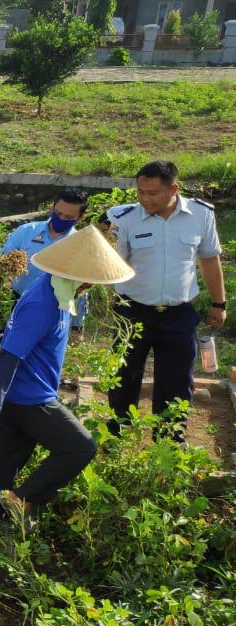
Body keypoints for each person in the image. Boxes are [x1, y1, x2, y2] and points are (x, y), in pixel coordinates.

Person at [0, 225, 135, 536]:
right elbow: (8, 356)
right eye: (91, 280)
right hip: (31, 398)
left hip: (24, 394)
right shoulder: (43, 303)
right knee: (80, 447)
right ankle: (21, 499)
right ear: (79, 275)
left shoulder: (59, 291)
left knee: (4, 459)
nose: (91, 286)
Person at [107, 160, 225, 437]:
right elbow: (110, 265)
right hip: (131, 313)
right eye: (140, 192)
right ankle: (117, 437)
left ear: (174, 189)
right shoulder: (123, 218)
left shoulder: (200, 214)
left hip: (178, 314)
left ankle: (170, 439)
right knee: (123, 378)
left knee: (176, 380)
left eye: (153, 193)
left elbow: (209, 259)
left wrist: (219, 304)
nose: (144, 199)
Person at [0, 188, 89, 425]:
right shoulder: (27, 232)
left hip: (53, 309)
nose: (61, 219)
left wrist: (77, 325)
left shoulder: (78, 246)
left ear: (80, 218)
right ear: (52, 207)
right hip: (13, 303)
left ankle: (15, 416)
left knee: (32, 364)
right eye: (58, 212)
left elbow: (82, 289)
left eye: (69, 217)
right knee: (0, 358)